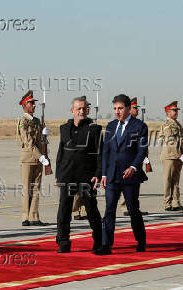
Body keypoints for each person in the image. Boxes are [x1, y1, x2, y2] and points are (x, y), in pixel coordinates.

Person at [98, 94, 147, 255]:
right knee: (109, 210)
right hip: (112, 175)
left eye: (120, 108)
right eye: (115, 109)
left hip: (130, 176)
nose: (117, 112)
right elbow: (106, 151)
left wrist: (134, 166)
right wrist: (104, 174)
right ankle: (106, 244)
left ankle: (140, 240)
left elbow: (142, 150)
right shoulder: (111, 126)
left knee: (133, 210)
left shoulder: (139, 126)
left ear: (127, 108)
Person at [55, 96, 103, 253]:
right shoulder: (64, 128)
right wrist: (58, 173)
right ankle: (63, 241)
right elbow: (60, 152)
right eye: (78, 109)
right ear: (72, 111)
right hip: (67, 175)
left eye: (84, 108)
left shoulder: (94, 129)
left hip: (87, 176)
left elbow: (99, 154)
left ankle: (98, 240)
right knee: (64, 209)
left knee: (91, 209)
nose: (81, 111)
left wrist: (98, 173)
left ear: (87, 110)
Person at [17, 90, 49, 226]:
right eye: (31, 103)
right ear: (25, 105)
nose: (34, 105)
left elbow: (39, 140)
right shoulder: (23, 121)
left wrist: (44, 136)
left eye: (34, 103)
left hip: (38, 158)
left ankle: (34, 216)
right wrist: (41, 156)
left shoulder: (37, 121)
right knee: (27, 188)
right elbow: (28, 141)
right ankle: (25, 216)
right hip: (28, 158)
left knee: (36, 188)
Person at [118, 97, 149, 216]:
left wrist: (145, 156)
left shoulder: (138, 124)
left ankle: (134, 206)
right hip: (127, 157)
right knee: (126, 181)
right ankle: (126, 206)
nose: (137, 110)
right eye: (135, 108)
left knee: (135, 183)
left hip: (137, 158)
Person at [160, 101, 183, 211]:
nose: (177, 112)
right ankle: (167, 203)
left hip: (178, 155)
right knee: (168, 180)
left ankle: (176, 202)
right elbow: (170, 141)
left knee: (176, 180)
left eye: (177, 110)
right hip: (170, 155)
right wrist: (179, 155)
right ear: (168, 112)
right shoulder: (167, 124)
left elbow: (180, 141)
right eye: (174, 110)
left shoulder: (178, 124)